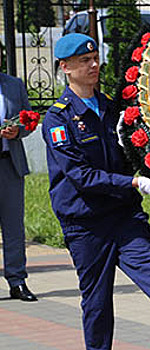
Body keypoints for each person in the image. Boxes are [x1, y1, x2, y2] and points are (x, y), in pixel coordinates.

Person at [42, 33, 150, 350]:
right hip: (86, 223)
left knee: (148, 261)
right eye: (85, 61)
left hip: (123, 211)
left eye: (95, 58)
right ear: (65, 67)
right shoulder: (59, 118)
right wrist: (133, 183)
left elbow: (134, 152)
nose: (94, 64)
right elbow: (80, 176)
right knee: (96, 300)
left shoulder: (112, 109)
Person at [0, 48, 37, 302]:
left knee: (14, 227)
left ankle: (17, 281)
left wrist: (19, 130)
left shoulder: (14, 84)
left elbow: (30, 118)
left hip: (9, 164)